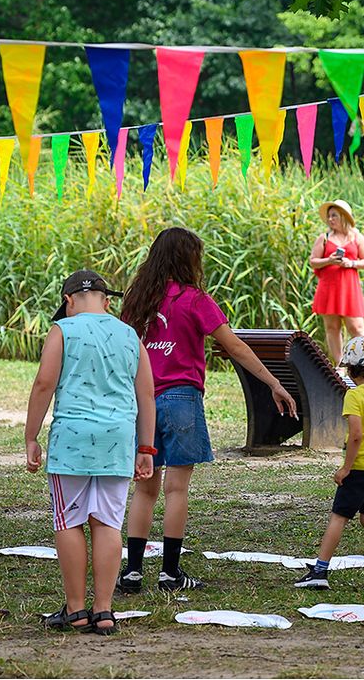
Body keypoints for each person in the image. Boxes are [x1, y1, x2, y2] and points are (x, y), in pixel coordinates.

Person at [117, 227, 298, 593]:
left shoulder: (137, 298)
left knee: (145, 489)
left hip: (141, 402)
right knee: (176, 490)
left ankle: (132, 572)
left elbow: (123, 348)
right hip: (182, 400)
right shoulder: (196, 299)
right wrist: (273, 382)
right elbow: (235, 346)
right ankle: (170, 573)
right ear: (188, 259)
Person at [26, 270, 156, 635]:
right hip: (118, 441)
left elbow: (43, 384)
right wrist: (145, 447)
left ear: (68, 301)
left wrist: (31, 436)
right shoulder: (130, 334)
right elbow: (146, 394)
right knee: (108, 522)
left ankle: (76, 609)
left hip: (72, 441)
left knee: (69, 522)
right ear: (107, 301)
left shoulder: (62, 331)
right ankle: (104, 610)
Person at [294, 337, 364, 593]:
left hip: (362, 468)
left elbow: (355, 434)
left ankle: (320, 570)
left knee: (339, 517)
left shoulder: (354, 396)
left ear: (350, 368)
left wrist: (346, 467)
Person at [309, 199, 364, 364]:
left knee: (356, 327)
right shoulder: (324, 238)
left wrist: (350, 263)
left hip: (349, 288)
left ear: (344, 217)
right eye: (329, 216)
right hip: (329, 287)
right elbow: (313, 261)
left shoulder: (357, 237)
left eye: (334, 216)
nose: (330, 219)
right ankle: (340, 365)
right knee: (332, 328)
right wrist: (329, 260)